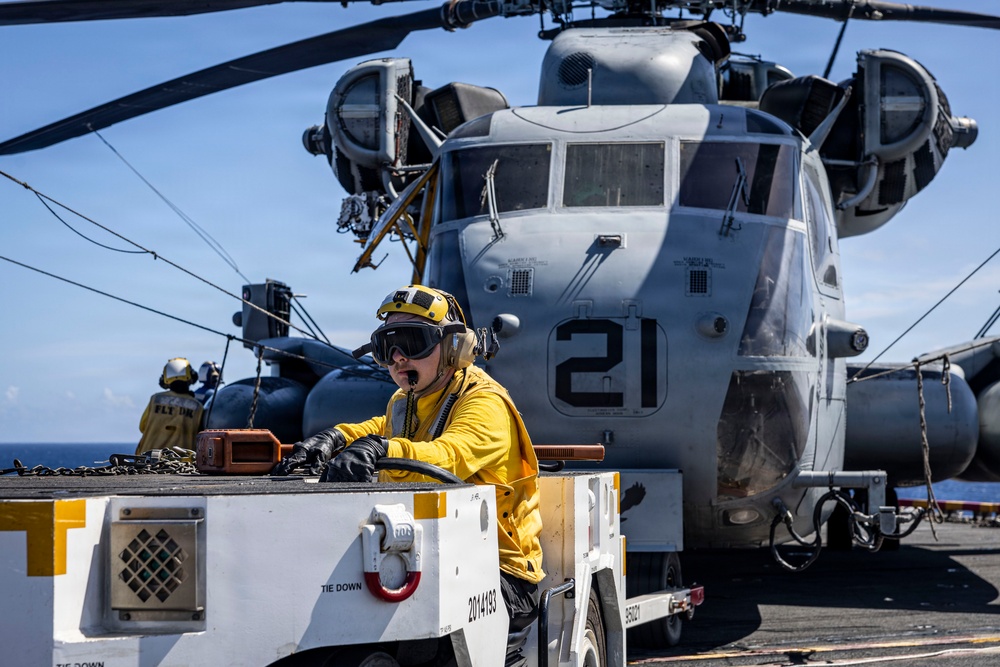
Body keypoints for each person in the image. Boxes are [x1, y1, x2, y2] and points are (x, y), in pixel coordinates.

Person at [272, 285, 544, 664]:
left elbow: (448, 457)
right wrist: (336, 437)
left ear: (453, 347)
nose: (398, 358)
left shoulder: (484, 401)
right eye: (387, 347)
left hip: (500, 569)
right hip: (433, 552)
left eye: (413, 342)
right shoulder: (406, 400)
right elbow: (382, 427)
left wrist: (381, 450)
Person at [136, 357, 205, 456]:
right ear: (191, 377)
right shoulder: (197, 407)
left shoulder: (155, 400)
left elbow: (142, 427)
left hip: (147, 459)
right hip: (181, 462)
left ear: (165, 379)